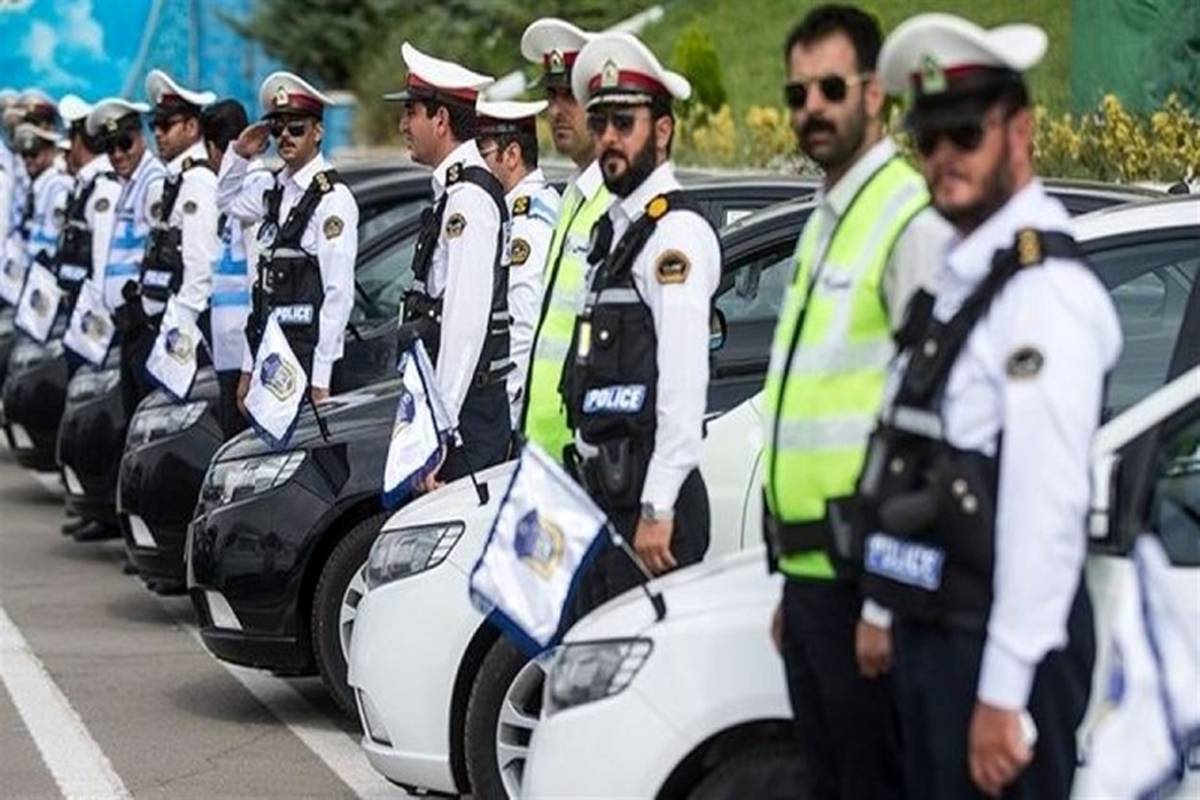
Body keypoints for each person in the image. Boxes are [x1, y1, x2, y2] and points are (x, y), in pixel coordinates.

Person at [849, 13, 1122, 798]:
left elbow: (1044, 504)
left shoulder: (1044, 293)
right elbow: (915, 455)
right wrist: (883, 605)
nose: (943, 157)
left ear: (1021, 132)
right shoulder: (967, 277)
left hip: (1001, 654)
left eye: (965, 134)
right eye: (927, 139)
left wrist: (1004, 690)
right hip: (939, 629)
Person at [761, 6, 954, 798]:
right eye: (798, 93)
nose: (812, 107)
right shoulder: (826, 217)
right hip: (812, 573)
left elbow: (930, 422)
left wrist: (882, 602)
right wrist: (791, 584)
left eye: (831, 89)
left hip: (865, 583)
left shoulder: (908, 217)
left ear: (874, 95)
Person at [562, 31, 719, 609]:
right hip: (605, 496)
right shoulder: (616, 232)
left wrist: (658, 505)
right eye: (599, 123)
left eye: (624, 123)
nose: (608, 137)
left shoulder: (673, 235)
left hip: (650, 511)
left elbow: (683, 382)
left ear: (662, 130)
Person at [386, 43, 512, 487]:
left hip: (466, 414)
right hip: (454, 407)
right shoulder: (453, 193)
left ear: (440, 120)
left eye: (411, 112)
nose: (403, 125)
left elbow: (464, 321)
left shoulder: (468, 199)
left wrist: (441, 431)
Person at [221, 71, 358, 409]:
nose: (285, 136)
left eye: (296, 128)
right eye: (277, 128)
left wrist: (321, 379)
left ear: (318, 132)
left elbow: (338, 295)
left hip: (308, 358)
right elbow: (225, 200)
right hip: (270, 354)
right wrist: (240, 153)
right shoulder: (271, 189)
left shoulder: (333, 199)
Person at [517, 17, 612, 465]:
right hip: (544, 446)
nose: (555, 110)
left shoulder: (614, 203)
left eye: (569, 96)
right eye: (551, 96)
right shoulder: (572, 197)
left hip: (581, 454)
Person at [120, 70, 219, 410]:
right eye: (154, 126)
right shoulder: (174, 180)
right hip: (154, 320)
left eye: (166, 125)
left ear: (191, 127)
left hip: (176, 329)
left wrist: (177, 339)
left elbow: (200, 269)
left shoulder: (198, 183)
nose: (158, 134)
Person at [474, 98, 561, 427]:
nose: (477, 166)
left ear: (511, 155)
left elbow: (523, 319)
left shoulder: (525, 221)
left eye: (483, 154)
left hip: (520, 402)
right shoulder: (543, 201)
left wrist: (509, 406)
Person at [201, 98, 261, 439]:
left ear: (213, 149)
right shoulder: (238, 190)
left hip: (244, 352)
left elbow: (257, 281)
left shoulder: (254, 189)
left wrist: (249, 367)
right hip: (230, 350)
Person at [54, 95, 120, 343]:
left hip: (93, 315)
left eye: (71, 138)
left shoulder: (104, 187)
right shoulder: (86, 184)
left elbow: (102, 258)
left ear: (80, 140)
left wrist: (96, 323)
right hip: (78, 304)